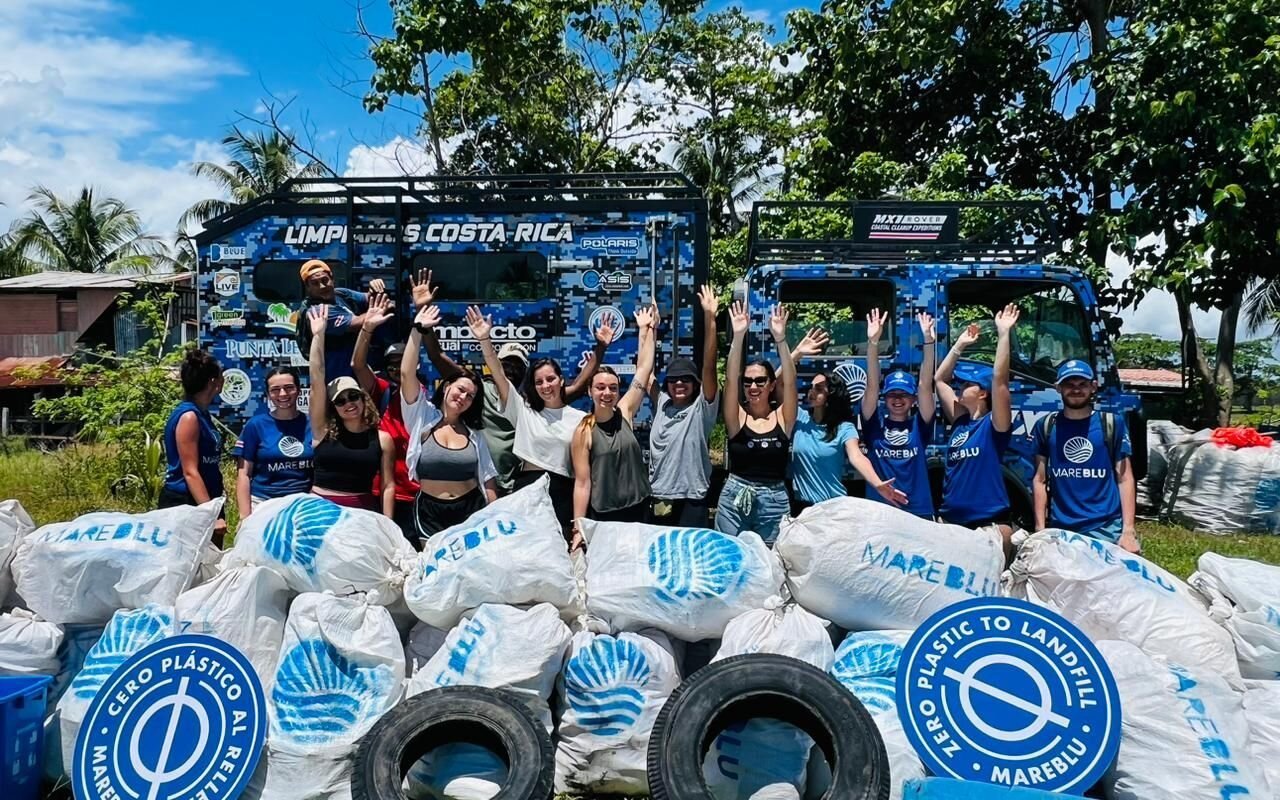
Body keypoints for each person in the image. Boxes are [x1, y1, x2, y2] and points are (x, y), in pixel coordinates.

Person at [418, 269, 603, 495]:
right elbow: (437, 356)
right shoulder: (476, 388)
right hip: (480, 481)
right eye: (506, 363)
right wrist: (423, 313)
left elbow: (578, 386)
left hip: (515, 485)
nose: (511, 370)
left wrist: (601, 346)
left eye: (517, 366)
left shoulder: (527, 403)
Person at [468, 303, 614, 535]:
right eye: (539, 382)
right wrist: (485, 340)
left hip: (564, 492)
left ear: (561, 380)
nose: (546, 385)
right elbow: (498, 373)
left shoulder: (581, 419)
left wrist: (601, 347)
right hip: (528, 489)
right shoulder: (522, 410)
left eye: (550, 379)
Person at [400, 304, 499, 540]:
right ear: (446, 386)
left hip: (471, 510)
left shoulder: (474, 433)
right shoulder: (422, 417)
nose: (463, 397)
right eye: (460, 390)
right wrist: (417, 330)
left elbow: (488, 480)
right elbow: (406, 374)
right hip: (430, 512)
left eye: (470, 396)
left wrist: (495, 517)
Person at [789, 330, 908, 512]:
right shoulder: (799, 418)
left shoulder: (844, 428)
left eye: (819, 388)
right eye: (811, 387)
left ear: (832, 394)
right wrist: (796, 353)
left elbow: (857, 456)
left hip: (833, 509)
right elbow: (778, 383)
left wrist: (877, 483)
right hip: (802, 508)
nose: (811, 392)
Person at [571, 305, 658, 546]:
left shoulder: (625, 411)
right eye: (600, 388)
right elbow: (582, 483)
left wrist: (647, 329)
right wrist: (578, 526)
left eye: (612, 388)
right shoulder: (583, 431)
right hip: (605, 517)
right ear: (590, 392)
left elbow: (644, 368)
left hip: (639, 509)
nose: (607, 393)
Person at [1033, 360, 1140, 553]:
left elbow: (1125, 478)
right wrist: (1040, 529)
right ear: (1058, 388)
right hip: (1062, 528)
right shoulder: (1046, 426)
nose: (1076, 389)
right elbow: (1039, 480)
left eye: (1082, 384)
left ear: (1093, 387)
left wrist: (1128, 531)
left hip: (1106, 528)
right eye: (1069, 384)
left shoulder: (1112, 423)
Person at [934, 305, 1019, 542]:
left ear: (983, 393)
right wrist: (959, 345)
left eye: (966, 384)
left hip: (987, 524)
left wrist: (1003, 333)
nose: (959, 387)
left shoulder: (994, 425)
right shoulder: (960, 421)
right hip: (951, 522)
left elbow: (1000, 381)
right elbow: (940, 379)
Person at [716, 302, 798, 543]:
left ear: (771, 385)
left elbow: (790, 382)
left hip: (774, 501)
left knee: (771, 559)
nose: (753, 386)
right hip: (735, 497)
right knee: (730, 556)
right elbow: (730, 379)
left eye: (760, 381)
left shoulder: (783, 418)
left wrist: (781, 340)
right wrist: (738, 337)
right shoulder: (738, 418)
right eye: (748, 382)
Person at [306, 304, 396, 515]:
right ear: (333, 407)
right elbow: (317, 379)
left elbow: (388, 486)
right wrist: (318, 336)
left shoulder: (382, 439)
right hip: (318, 511)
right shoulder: (322, 430)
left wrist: (388, 524)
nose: (349, 403)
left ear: (364, 399)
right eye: (340, 401)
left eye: (354, 396)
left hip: (361, 513)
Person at [647, 285, 721, 528]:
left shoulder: (702, 409)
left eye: (686, 379)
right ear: (667, 384)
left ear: (696, 383)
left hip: (692, 499)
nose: (679, 383)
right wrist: (650, 330)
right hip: (660, 496)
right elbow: (645, 372)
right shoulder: (662, 403)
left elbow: (709, 367)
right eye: (674, 379)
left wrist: (710, 318)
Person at [352, 293, 421, 543]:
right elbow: (358, 365)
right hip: (381, 490)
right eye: (390, 364)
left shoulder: (424, 397)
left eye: (400, 362)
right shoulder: (382, 391)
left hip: (417, 493)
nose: (395, 368)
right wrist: (367, 329)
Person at [861, 309, 938, 519]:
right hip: (880, 512)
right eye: (892, 394)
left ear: (913, 400)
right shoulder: (874, 426)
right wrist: (873, 343)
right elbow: (871, 386)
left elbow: (925, 385)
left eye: (904, 395)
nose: (897, 399)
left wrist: (929, 342)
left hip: (917, 512)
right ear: (884, 398)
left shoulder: (920, 426)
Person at [161, 348, 227, 542]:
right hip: (187, 502)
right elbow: (190, 472)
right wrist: (210, 514)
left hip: (206, 498)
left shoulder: (202, 414)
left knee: (211, 559)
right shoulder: (189, 417)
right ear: (213, 381)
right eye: (221, 376)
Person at [232, 366, 313, 517]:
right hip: (263, 503)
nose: (283, 394)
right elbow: (244, 473)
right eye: (275, 390)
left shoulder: (313, 425)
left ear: (299, 390)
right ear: (268, 394)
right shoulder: (255, 425)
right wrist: (245, 517)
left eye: (289, 388)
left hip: (304, 505)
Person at [295, 259, 388, 381]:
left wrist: (375, 288)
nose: (322, 286)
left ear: (332, 279)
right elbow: (358, 323)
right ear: (308, 287)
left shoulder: (341, 294)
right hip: (339, 378)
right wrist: (381, 307)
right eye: (315, 283)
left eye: (325, 280)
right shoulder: (317, 311)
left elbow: (369, 298)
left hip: (361, 372)